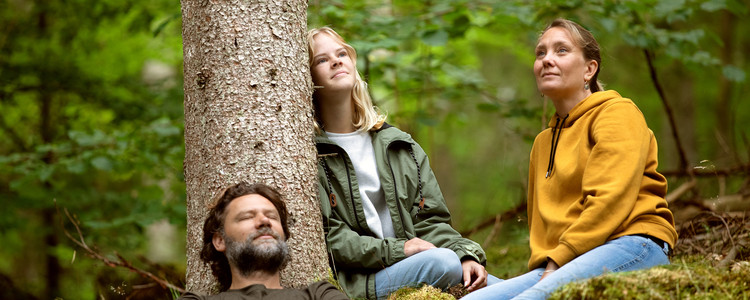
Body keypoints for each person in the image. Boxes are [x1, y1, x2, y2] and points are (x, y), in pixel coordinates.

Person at [463, 19, 678, 300]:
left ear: (590, 69)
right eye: (541, 53)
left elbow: (608, 202)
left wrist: (555, 265)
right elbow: (542, 228)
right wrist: (545, 268)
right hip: (566, 261)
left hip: (633, 244)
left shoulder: (616, 113)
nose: (547, 59)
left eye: (561, 50)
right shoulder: (542, 143)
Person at [307, 26, 500, 300]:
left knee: (522, 286)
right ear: (305, 76)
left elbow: (430, 222)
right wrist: (402, 250)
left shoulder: (398, 145)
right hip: (360, 281)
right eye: (321, 59)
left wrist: (464, 254)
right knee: (443, 264)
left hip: (423, 265)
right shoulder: (310, 155)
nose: (336, 61)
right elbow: (330, 239)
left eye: (342, 53)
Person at [179, 182, 349, 300]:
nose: (264, 221)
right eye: (247, 217)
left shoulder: (320, 295)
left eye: (272, 217)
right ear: (219, 241)